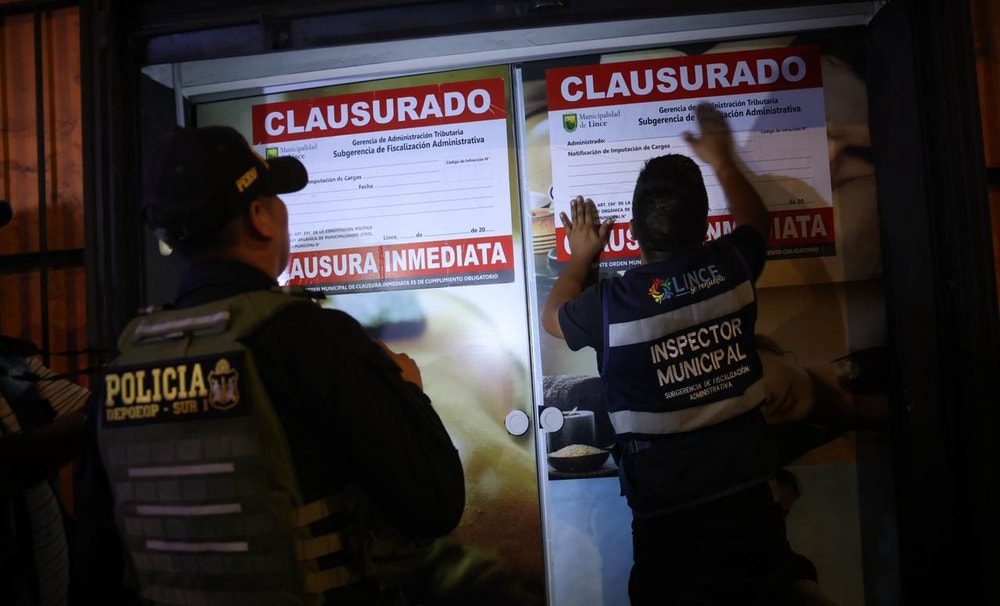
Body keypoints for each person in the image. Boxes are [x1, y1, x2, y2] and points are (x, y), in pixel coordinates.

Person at [73, 125, 465, 605]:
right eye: (275, 197)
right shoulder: (314, 338)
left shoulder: (123, 369)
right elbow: (435, 504)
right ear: (259, 217)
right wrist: (409, 393)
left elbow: (94, 566)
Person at [542, 102, 794, 605]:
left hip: (668, 517)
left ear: (634, 234)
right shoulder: (731, 265)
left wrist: (582, 255)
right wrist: (723, 160)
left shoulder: (612, 303)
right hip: (748, 499)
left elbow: (554, 318)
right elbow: (755, 222)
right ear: (705, 229)